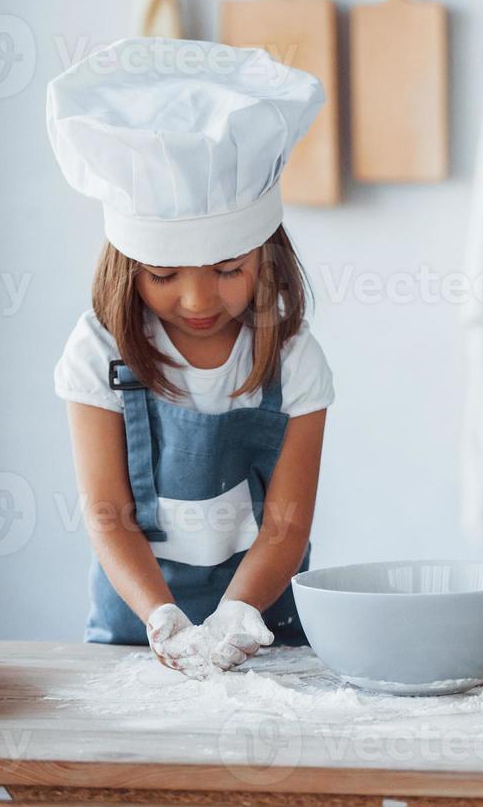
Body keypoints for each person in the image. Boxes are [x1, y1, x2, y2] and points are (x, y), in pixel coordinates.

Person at [48, 38, 334, 678]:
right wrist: (162, 617)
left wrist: (237, 617)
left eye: (229, 270)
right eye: (164, 273)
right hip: (136, 635)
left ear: (266, 255)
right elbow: (107, 514)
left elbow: (286, 525)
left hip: (270, 635)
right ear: (126, 268)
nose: (198, 298)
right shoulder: (98, 352)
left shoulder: (293, 359)